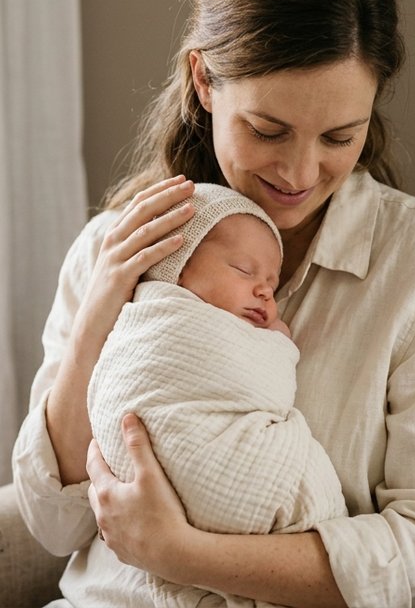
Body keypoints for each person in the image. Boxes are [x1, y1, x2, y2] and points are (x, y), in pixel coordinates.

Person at [12, 0, 415, 608]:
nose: (300, 172)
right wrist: (99, 313)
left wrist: (184, 555)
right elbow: (54, 522)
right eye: (268, 131)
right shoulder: (118, 245)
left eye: (341, 137)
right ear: (204, 82)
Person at [88, 183, 346, 608]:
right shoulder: (153, 316)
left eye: (272, 283)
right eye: (245, 271)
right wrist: (279, 347)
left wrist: (176, 550)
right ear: (178, 267)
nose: (265, 291)